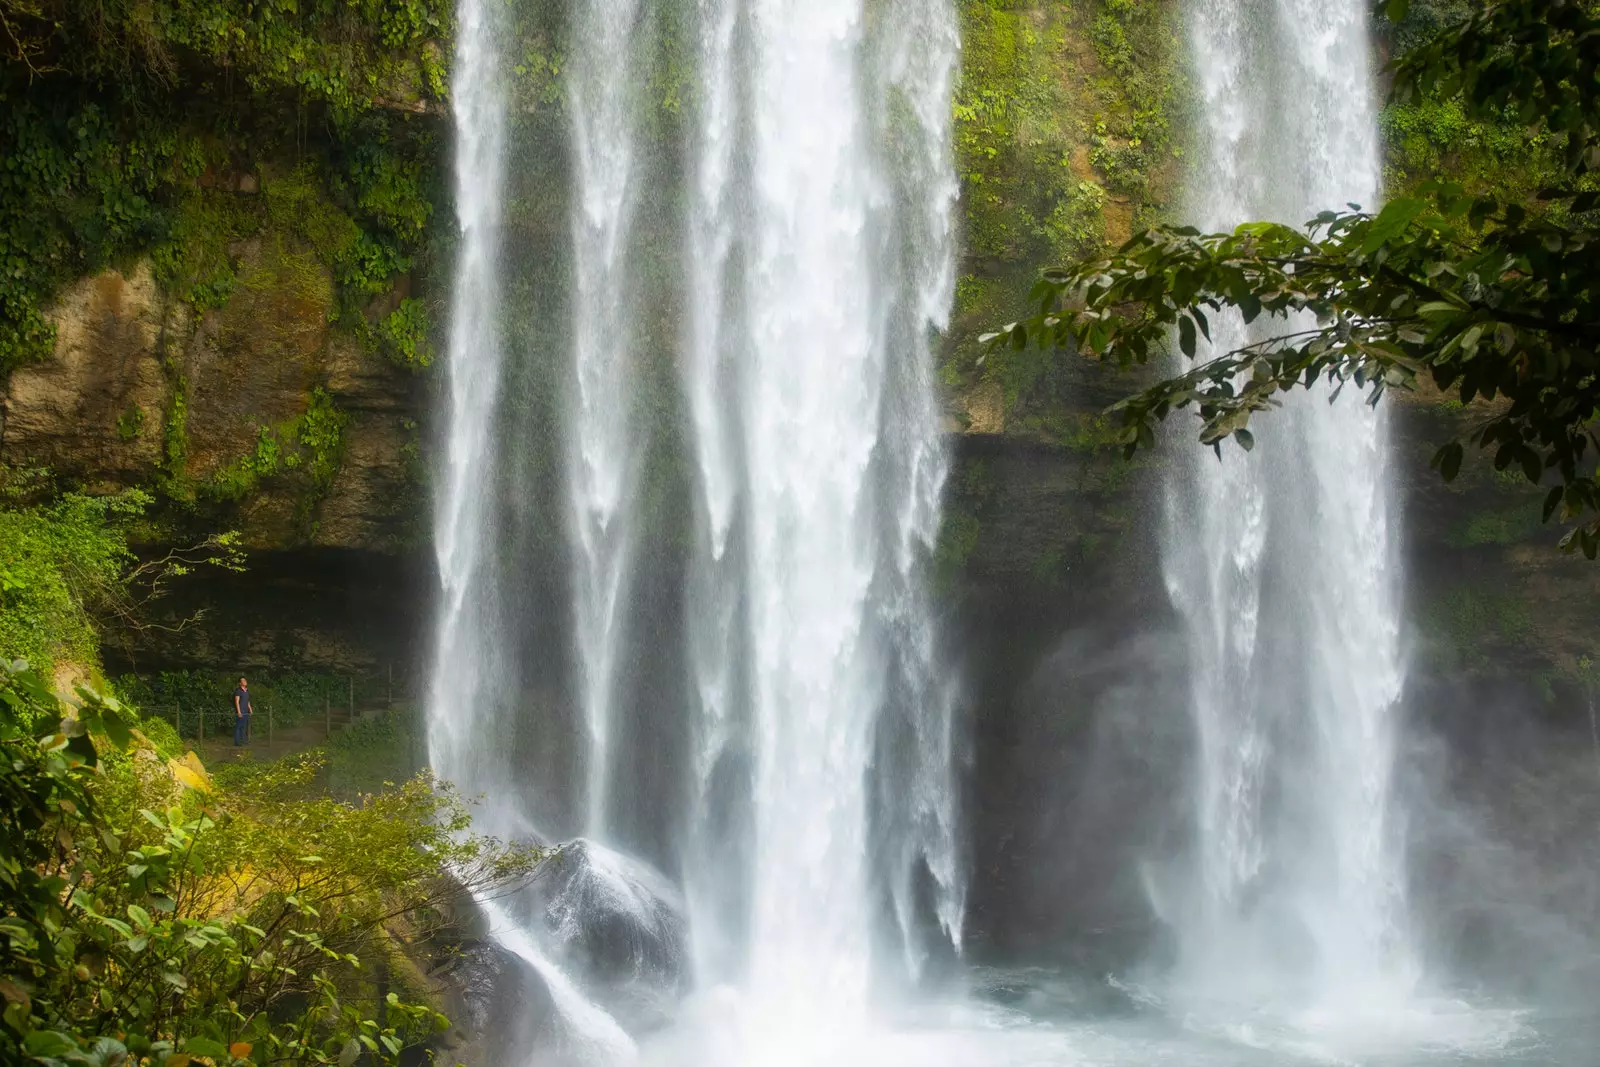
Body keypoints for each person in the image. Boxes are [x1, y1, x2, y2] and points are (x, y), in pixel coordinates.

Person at [233, 676, 252, 746]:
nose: (245, 681)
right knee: (238, 727)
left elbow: (247, 701)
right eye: (243, 681)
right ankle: (237, 742)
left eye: (245, 680)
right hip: (241, 711)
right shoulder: (238, 691)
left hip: (246, 711)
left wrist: (250, 709)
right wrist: (239, 712)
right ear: (240, 683)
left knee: (243, 727)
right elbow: (237, 702)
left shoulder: (247, 691)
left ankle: (243, 741)